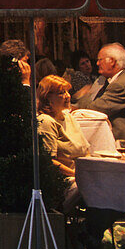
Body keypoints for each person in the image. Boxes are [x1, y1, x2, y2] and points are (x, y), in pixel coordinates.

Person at [75, 42, 125, 142]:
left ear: (112, 61)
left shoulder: (120, 85)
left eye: (100, 60)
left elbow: (91, 111)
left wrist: (84, 95)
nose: (97, 63)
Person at [36, 75, 89, 207]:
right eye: (61, 93)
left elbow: (85, 151)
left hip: (82, 175)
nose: (67, 96)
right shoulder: (46, 121)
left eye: (67, 92)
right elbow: (49, 161)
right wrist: (78, 175)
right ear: (47, 97)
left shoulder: (68, 116)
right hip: (65, 180)